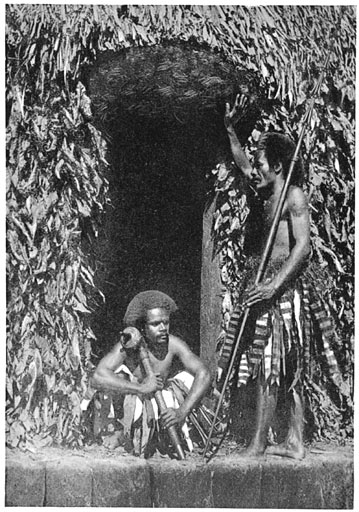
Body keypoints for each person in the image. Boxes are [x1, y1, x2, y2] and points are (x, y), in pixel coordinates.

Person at [218, 94, 348, 459]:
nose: (256, 168)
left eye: (262, 163)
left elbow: (302, 247)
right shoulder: (266, 192)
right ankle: (293, 441)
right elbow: (243, 166)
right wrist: (229, 131)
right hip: (266, 284)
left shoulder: (294, 197)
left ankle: (263, 441)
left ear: (277, 165)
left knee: (275, 362)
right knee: (277, 362)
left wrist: (273, 285)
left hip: (284, 288)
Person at [82, 290, 211, 457]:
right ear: (142, 327)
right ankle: (120, 432)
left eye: (166, 322)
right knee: (118, 376)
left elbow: (204, 373)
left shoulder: (174, 344)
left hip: (159, 409)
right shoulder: (128, 345)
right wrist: (140, 388)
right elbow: (98, 377)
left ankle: (166, 438)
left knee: (189, 378)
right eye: (156, 324)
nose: (163, 328)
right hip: (133, 402)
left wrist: (181, 412)